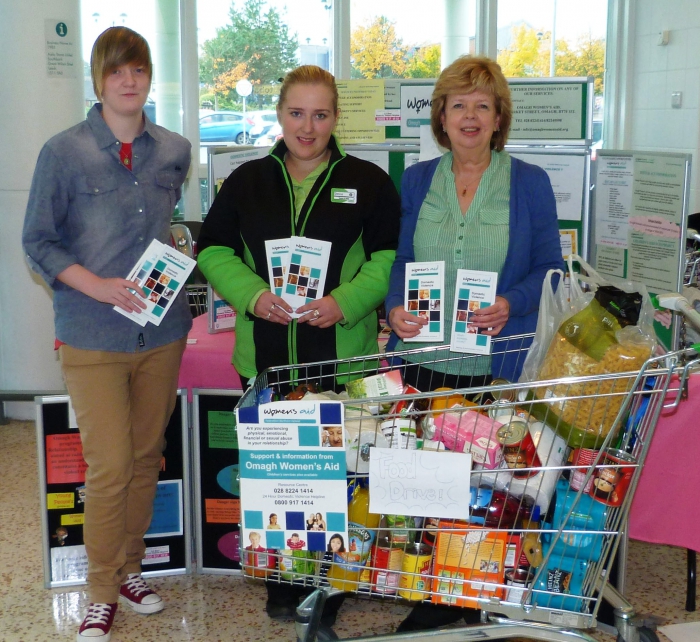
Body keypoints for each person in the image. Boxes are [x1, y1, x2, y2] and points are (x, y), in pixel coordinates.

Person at [197, 64, 400, 626]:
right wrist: (253, 295)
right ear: (280, 114)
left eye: (320, 114)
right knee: (276, 469)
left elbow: (387, 257)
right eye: (296, 113)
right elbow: (213, 250)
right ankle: (284, 578)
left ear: (336, 118)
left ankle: (330, 579)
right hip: (265, 358)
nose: (307, 127)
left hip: (339, 354)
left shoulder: (369, 181)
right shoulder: (247, 180)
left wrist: (346, 301)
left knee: (336, 470)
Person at [22, 26, 192, 642]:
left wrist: (177, 247)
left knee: (147, 458)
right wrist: (94, 284)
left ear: (149, 77)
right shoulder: (62, 152)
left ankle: (128, 568)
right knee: (110, 466)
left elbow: (169, 227)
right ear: (98, 79)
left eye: (138, 69)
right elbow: (37, 241)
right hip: (92, 334)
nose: (129, 80)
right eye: (117, 70)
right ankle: (99, 592)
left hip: (161, 332)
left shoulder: (174, 148)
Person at [384, 56, 563, 632]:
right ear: (440, 115)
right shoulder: (415, 181)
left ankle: (474, 589)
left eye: (482, 105)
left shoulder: (529, 183)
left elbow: (550, 269)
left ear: (498, 117)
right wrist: (393, 308)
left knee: (489, 483)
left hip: (496, 359)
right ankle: (427, 590)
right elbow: (401, 260)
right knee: (426, 476)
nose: (469, 115)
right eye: (458, 104)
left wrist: (512, 301)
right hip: (427, 357)